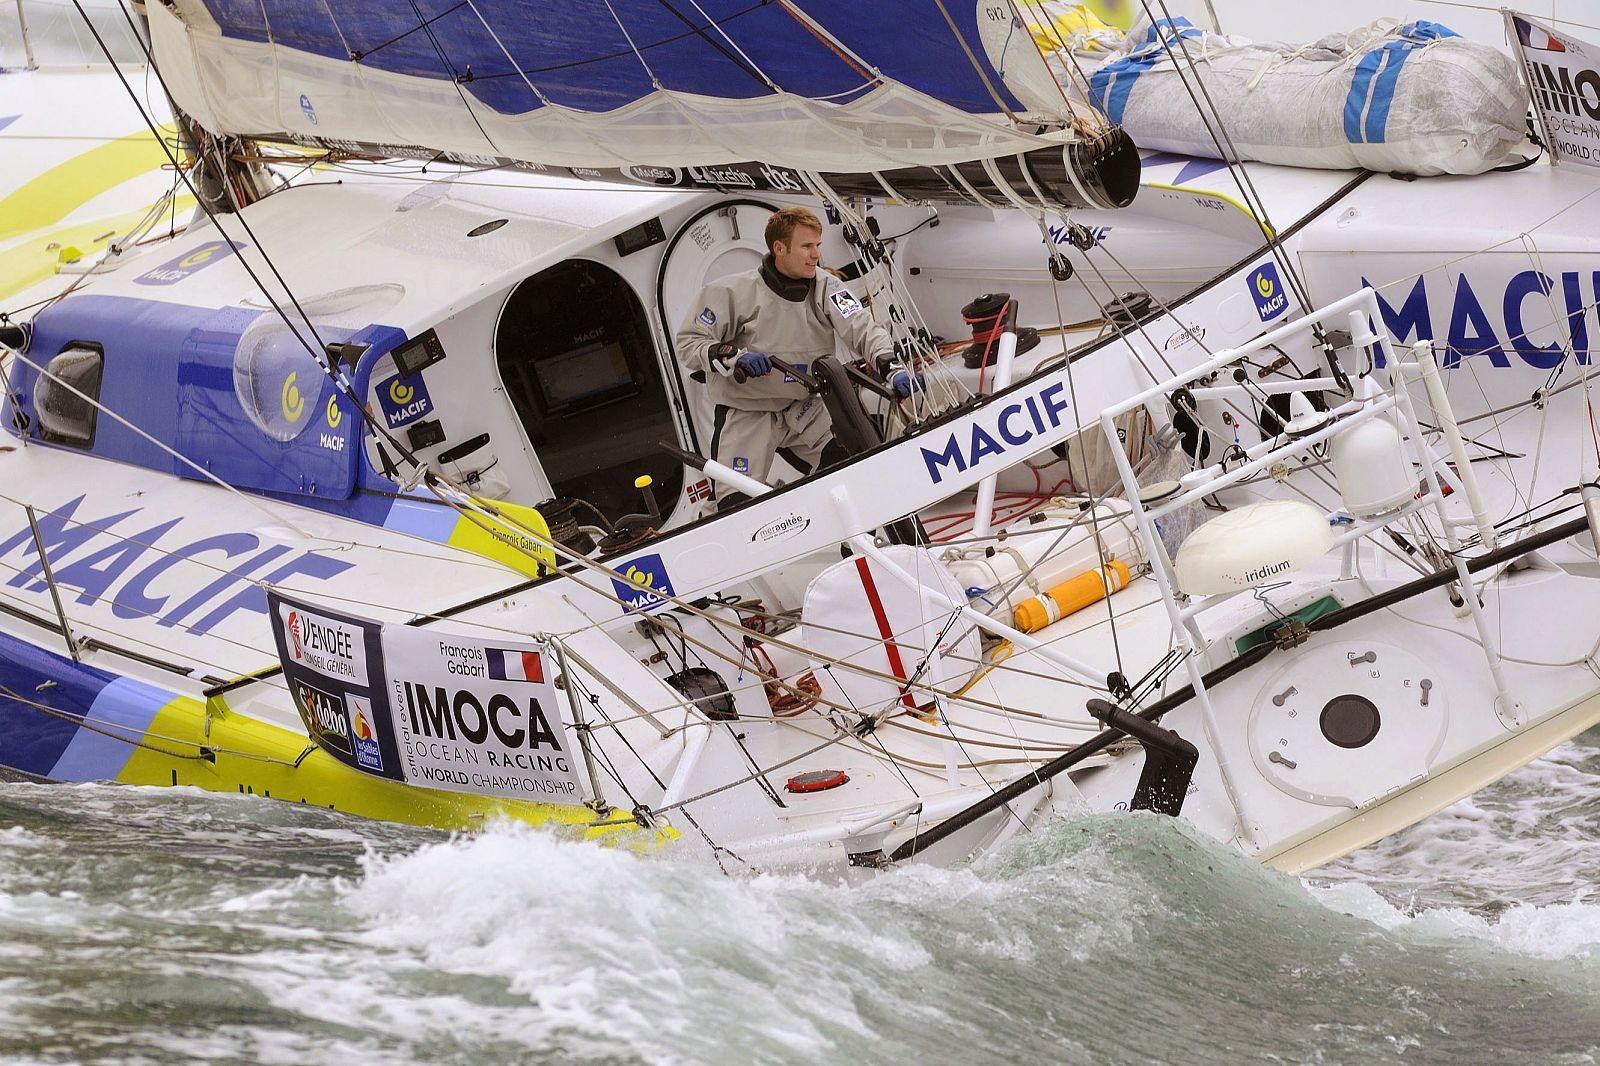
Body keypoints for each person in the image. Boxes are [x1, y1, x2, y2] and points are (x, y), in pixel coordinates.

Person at [675, 206, 918, 507]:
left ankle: (856, 544)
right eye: (806, 246)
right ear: (779, 248)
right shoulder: (730, 293)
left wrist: (889, 365)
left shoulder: (826, 287)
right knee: (735, 504)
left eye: (817, 246)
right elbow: (689, 343)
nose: (815, 254)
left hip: (805, 405)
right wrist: (733, 357)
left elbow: (862, 327)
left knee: (854, 467)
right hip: (749, 412)